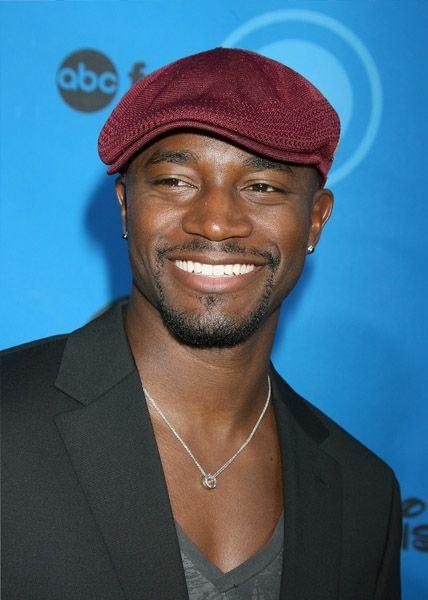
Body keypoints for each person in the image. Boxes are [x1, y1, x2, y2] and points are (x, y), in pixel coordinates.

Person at [1, 48, 402, 600]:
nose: (216, 222)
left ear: (314, 220)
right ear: (124, 207)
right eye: (175, 181)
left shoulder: (365, 494)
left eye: (261, 186)